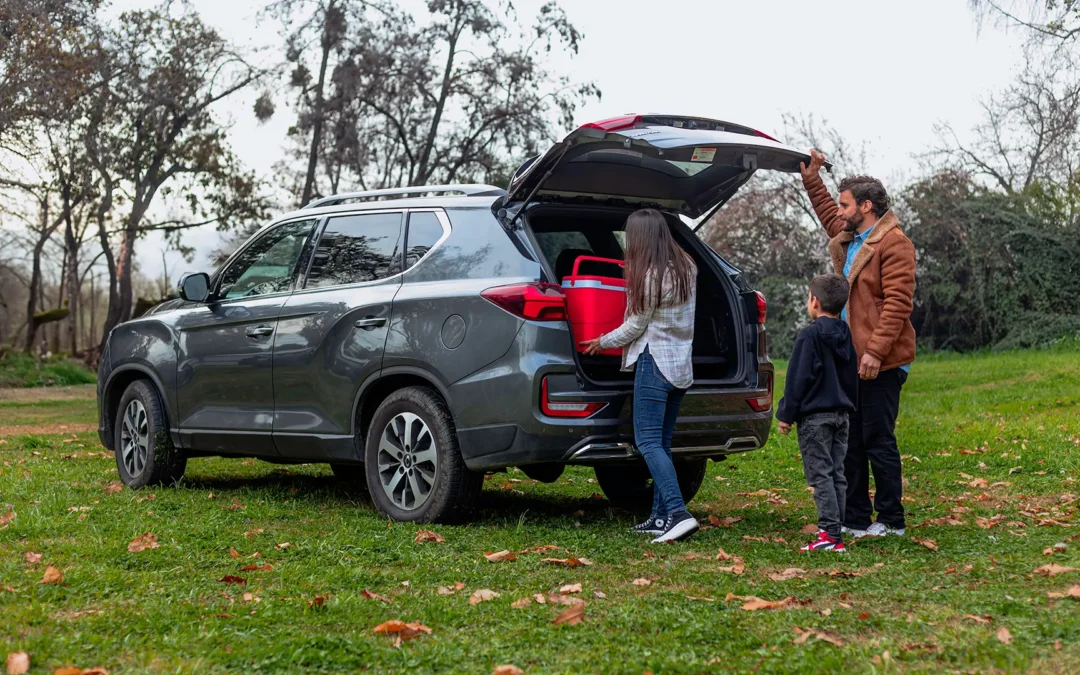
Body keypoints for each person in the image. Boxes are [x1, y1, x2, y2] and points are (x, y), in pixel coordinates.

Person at [800, 150, 917, 539]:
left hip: (881, 360)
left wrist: (875, 352)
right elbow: (829, 216)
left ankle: (891, 520)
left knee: (877, 439)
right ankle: (854, 518)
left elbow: (898, 305)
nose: (841, 209)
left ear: (866, 206)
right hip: (853, 358)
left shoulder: (894, 244)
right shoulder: (852, 237)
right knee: (850, 444)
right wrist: (812, 179)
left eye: (846, 203)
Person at [580, 208, 700, 544]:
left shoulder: (649, 274)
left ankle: (677, 513)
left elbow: (635, 326)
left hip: (654, 362)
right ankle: (660, 517)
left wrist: (600, 342)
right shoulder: (687, 266)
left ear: (641, 238)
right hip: (680, 365)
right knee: (661, 441)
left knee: (646, 441)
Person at [777, 274, 859, 552]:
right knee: (837, 472)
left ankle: (830, 535)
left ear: (814, 301)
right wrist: (850, 405)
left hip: (815, 419)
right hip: (841, 415)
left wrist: (786, 414)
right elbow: (851, 376)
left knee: (820, 475)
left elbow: (797, 378)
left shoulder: (809, 335)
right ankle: (836, 530)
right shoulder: (846, 334)